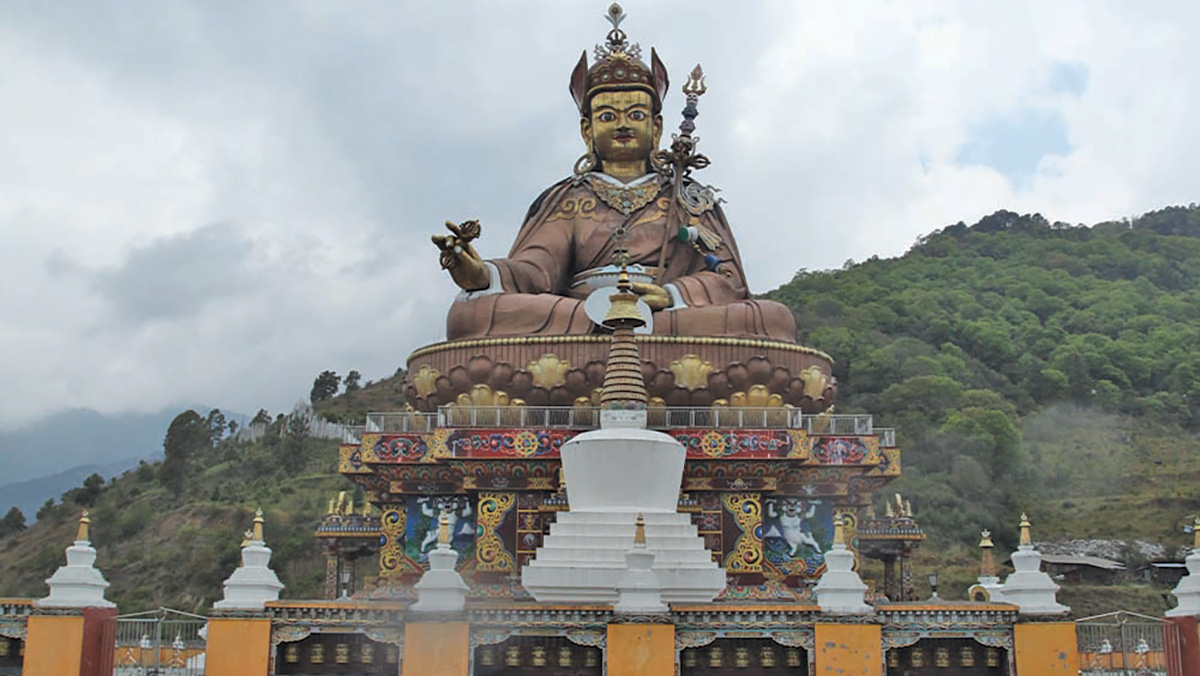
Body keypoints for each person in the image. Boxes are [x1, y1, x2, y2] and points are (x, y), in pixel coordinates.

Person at [432, 6, 796, 343]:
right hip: (580, 314)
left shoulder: (689, 200)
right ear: (587, 132)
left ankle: (622, 329)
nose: (622, 124)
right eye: (607, 116)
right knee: (469, 315)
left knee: (772, 319)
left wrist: (671, 295)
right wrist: (481, 275)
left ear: (656, 127)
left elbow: (727, 279)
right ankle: (609, 327)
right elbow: (536, 272)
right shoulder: (568, 199)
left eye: (635, 115)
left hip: (664, 318)